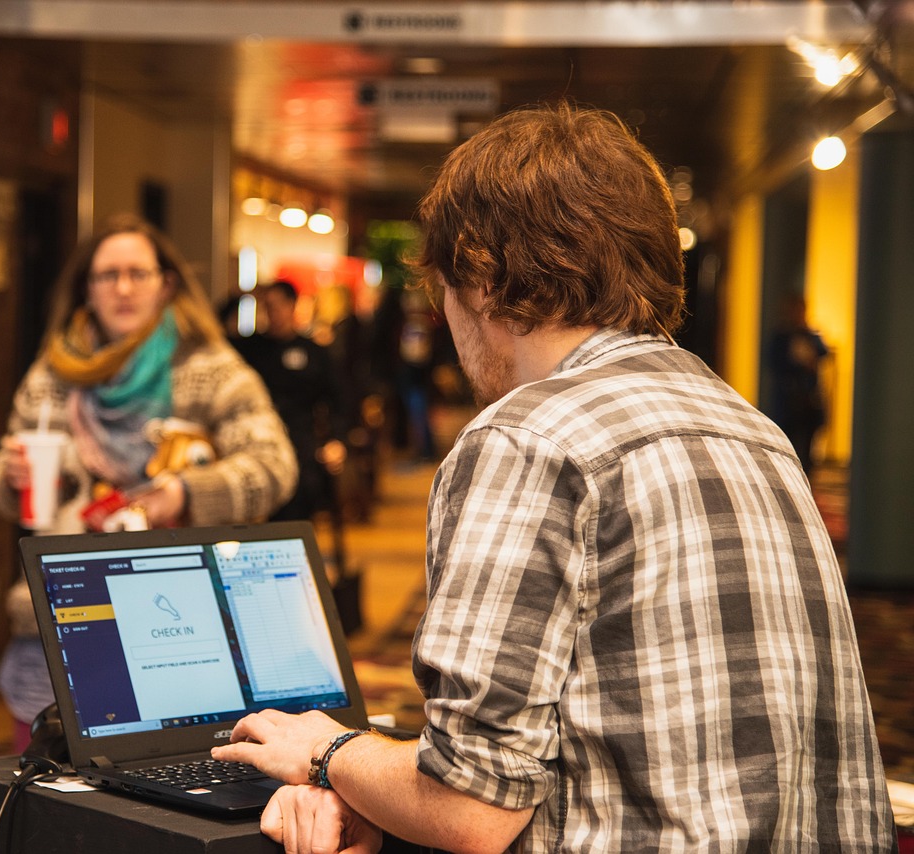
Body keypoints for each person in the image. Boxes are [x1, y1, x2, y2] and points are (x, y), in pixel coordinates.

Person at [213, 104, 895, 852]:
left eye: (441, 289)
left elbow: (471, 807)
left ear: (478, 273)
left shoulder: (527, 437)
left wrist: (328, 752)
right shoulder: (748, 426)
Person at [0, 214, 297, 750]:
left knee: (159, 772)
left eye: (138, 273)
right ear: (87, 287)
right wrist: (8, 476)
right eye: (107, 275)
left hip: (177, 617)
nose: (123, 288)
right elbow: (5, 465)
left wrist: (188, 493)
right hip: (66, 614)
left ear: (166, 283)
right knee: (44, 779)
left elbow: (275, 466)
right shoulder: (54, 372)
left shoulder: (210, 368)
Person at [235, 279, 348, 522]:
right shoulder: (250, 348)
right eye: (267, 306)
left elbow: (337, 398)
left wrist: (336, 440)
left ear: (292, 305)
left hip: (301, 446)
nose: (273, 313)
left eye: (278, 305)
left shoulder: (314, 352)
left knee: (299, 512)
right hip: (256, 445)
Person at [766, 294, 830, 479]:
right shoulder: (780, 336)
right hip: (787, 403)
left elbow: (823, 352)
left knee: (807, 452)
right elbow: (775, 363)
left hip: (808, 402)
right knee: (787, 447)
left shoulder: (809, 334)